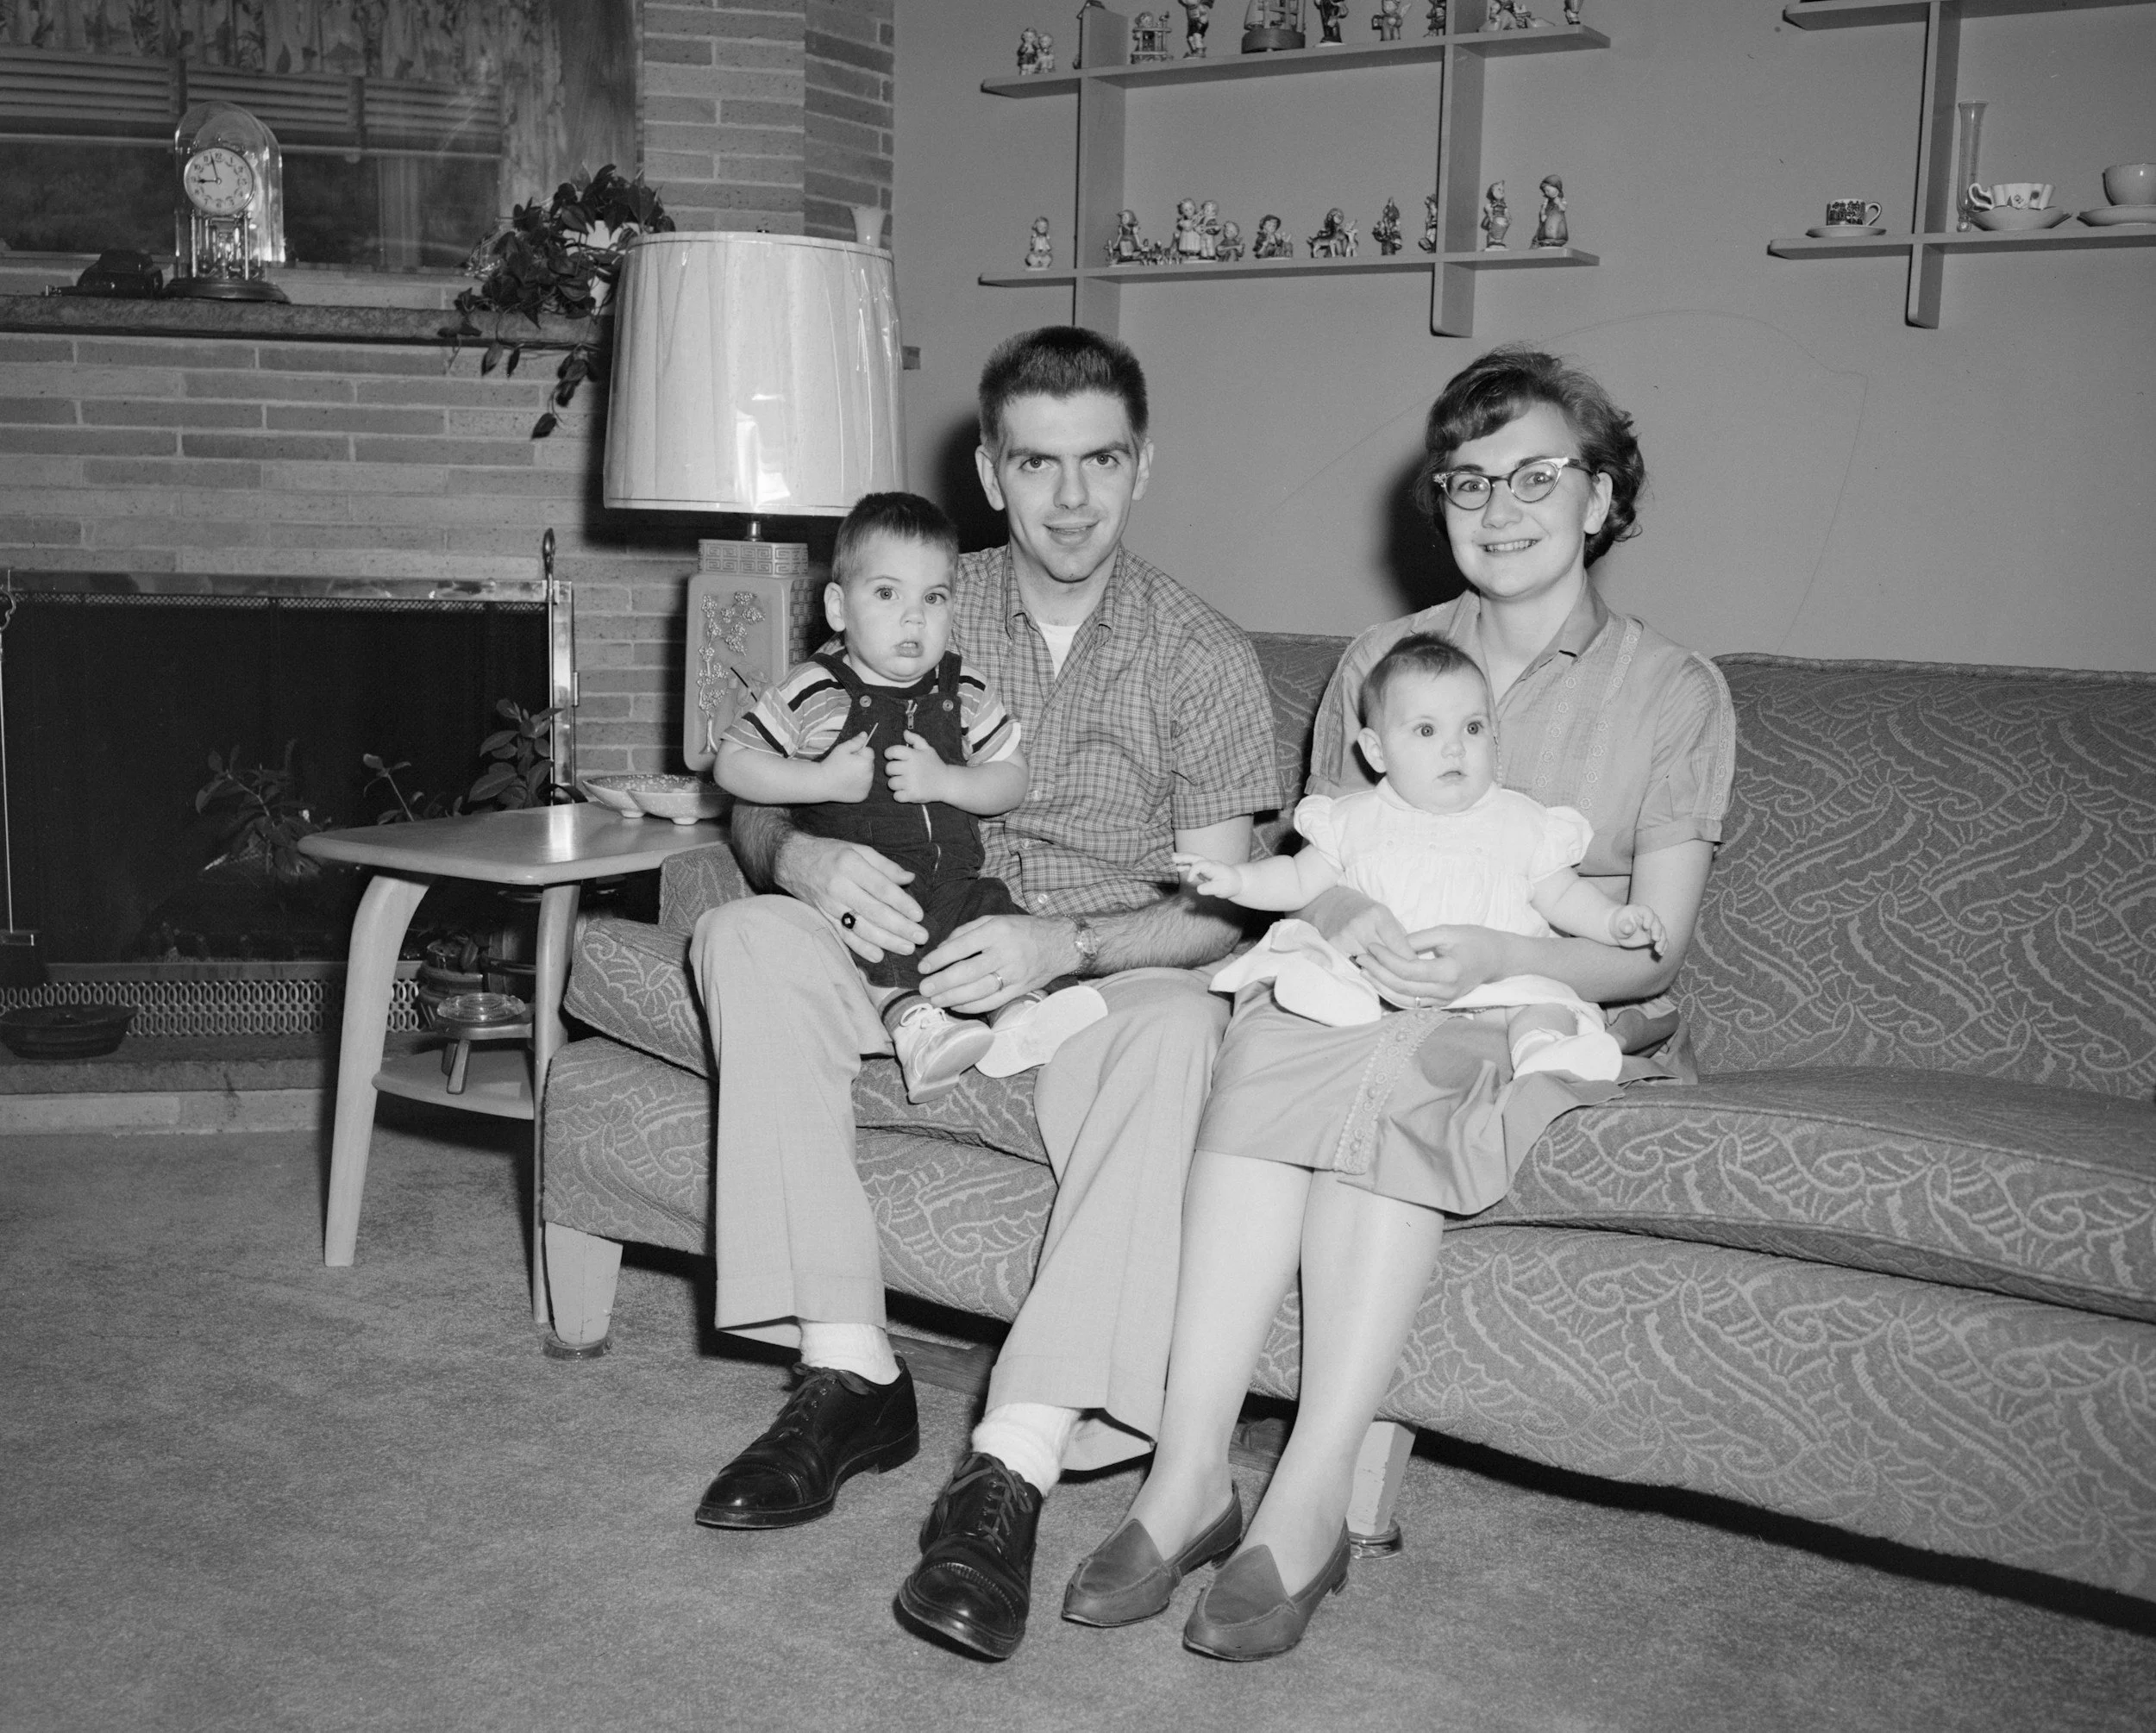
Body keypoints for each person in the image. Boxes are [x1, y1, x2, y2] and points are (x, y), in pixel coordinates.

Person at [1062, 346, 1734, 1661]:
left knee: (1395, 1090)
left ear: (1602, 499)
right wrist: (1347, 921)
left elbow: (1650, 951)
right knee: (1264, 1050)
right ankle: (1188, 1473)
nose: (1500, 505)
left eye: (1539, 473)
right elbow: (1325, 871)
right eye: (1469, 479)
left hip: (1555, 1002)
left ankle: (1305, 1504)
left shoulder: (1673, 690)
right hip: (1366, 988)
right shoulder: (1385, 657)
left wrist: (1488, 954)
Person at [688, 326, 1282, 1662]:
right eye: (1037, 463)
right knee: (745, 941)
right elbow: (752, 795)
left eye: (1101, 462)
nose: (1070, 498)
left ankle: (1008, 1462)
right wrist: (807, 853)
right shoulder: (914, 596)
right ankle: (850, 1372)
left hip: (1083, 968)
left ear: (1142, 467)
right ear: (989, 469)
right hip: (896, 942)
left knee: (1187, 1030)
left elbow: (1229, 909)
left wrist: (1062, 945)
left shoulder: (1201, 654)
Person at [713, 491, 1100, 1103]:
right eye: (887, 594)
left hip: (953, 881)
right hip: (867, 894)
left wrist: (949, 782)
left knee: (990, 921)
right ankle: (916, 1033)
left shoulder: (964, 687)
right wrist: (820, 781)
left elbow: (1011, 776)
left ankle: (1019, 1019)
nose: (914, 619)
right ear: (839, 607)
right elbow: (733, 764)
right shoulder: (816, 688)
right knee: (876, 957)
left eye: (934, 598)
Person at [1178, 629, 1667, 1092]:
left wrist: (1614, 921)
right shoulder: (1353, 819)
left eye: (1473, 727)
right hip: (1380, 978)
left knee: (1542, 1002)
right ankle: (1334, 1004)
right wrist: (1236, 878)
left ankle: (1545, 1051)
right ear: (1377, 750)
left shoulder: (1524, 822)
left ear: (1496, 737)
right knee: (1325, 959)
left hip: (1492, 987)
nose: (1454, 746)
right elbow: (1296, 879)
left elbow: (1564, 895)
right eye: (1426, 730)